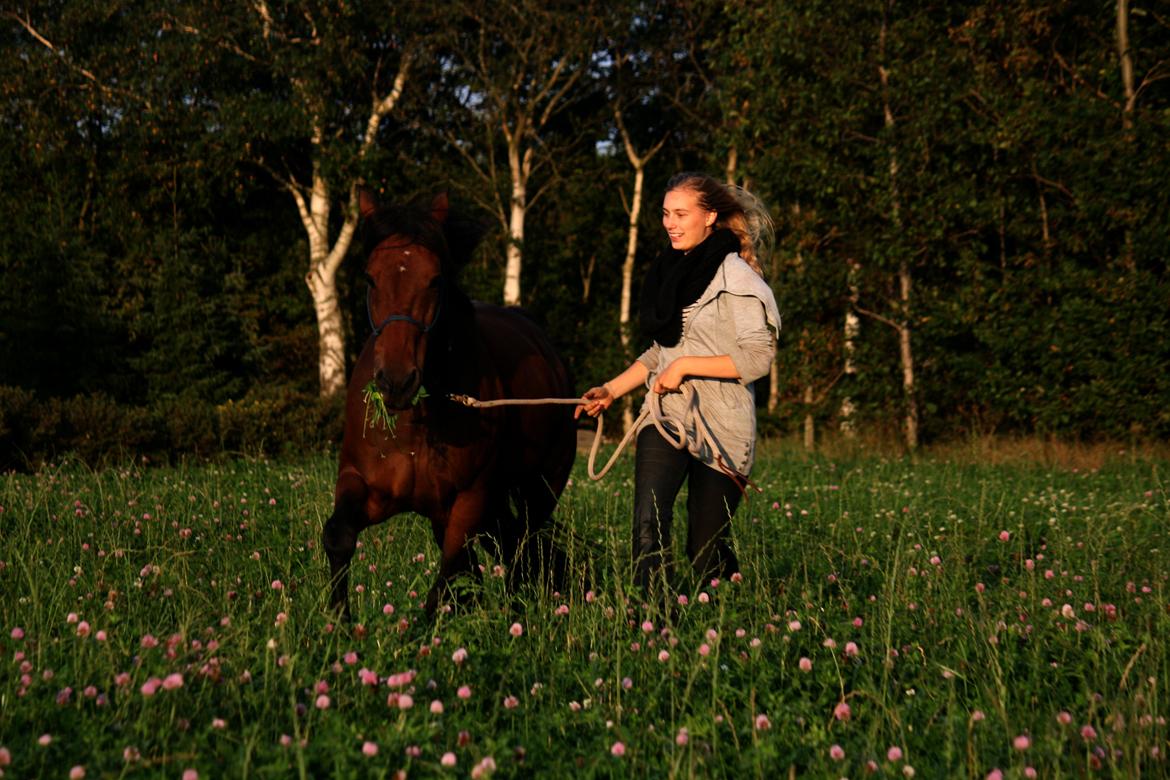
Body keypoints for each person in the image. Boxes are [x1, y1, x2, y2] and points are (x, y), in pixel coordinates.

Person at [577, 172, 781, 597]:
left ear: (709, 217)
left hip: (723, 427)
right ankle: (651, 620)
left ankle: (733, 611)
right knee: (647, 524)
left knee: (704, 551)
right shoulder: (671, 272)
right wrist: (612, 390)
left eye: (681, 214)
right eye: (666, 213)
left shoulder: (739, 280)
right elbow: (662, 352)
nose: (670, 222)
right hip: (666, 415)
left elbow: (758, 358)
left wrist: (687, 365)